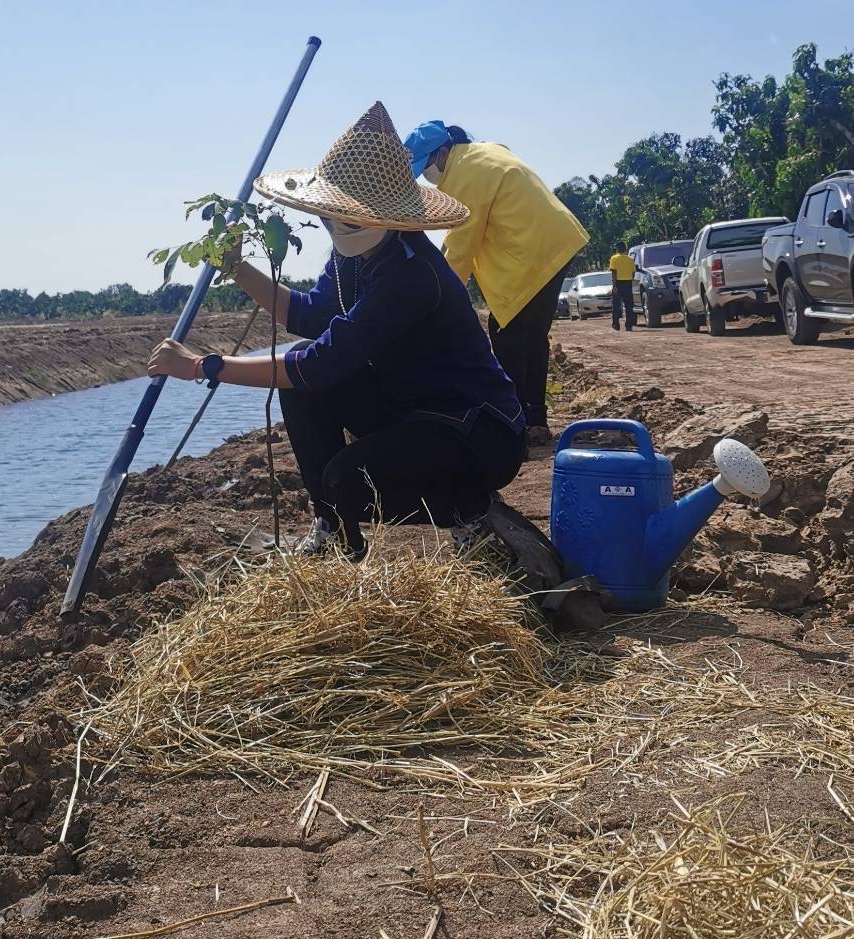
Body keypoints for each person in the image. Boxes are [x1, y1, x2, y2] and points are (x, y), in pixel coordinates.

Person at [148, 102, 561, 585]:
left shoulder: (412, 275)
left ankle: (468, 509)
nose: (334, 225)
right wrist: (238, 267)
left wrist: (204, 366)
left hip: (477, 433)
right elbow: (306, 315)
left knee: (346, 479)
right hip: (414, 408)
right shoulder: (354, 258)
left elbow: (321, 362)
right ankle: (335, 534)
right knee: (301, 391)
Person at [402, 121, 589, 447]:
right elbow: (457, 239)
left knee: (507, 337)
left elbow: (461, 248)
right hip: (556, 242)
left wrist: (436, 302)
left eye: (427, 167)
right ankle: (533, 420)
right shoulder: (485, 152)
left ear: (443, 152)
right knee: (529, 336)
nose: (427, 177)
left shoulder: (464, 176)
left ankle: (513, 425)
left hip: (533, 253)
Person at [609, 241, 636, 332]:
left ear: (617, 248)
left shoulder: (614, 258)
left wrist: (614, 285)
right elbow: (633, 273)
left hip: (618, 283)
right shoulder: (630, 259)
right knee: (629, 305)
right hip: (628, 283)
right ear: (625, 248)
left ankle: (616, 325)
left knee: (616, 306)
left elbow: (614, 272)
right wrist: (630, 282)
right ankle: (629, 325)